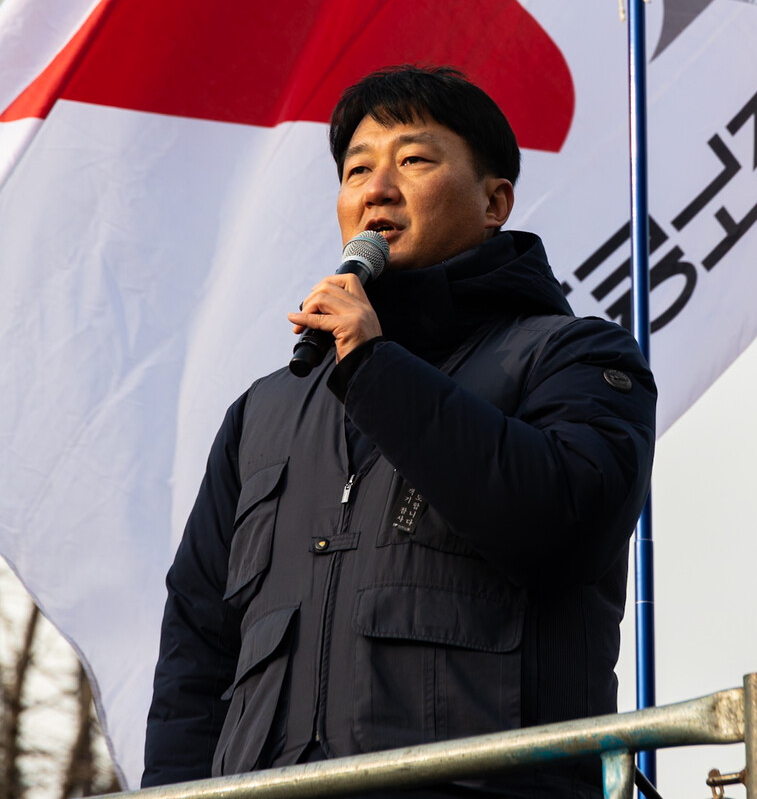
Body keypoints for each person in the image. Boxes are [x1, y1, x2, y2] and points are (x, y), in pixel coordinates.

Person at [143, 66, 656, 799]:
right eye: (357, 170)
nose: (376, 188)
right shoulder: (264, 412)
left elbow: (566, 525)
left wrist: (377, 367)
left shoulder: (577, 357)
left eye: (413, 161)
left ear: (493, 200)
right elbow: (196, 653)